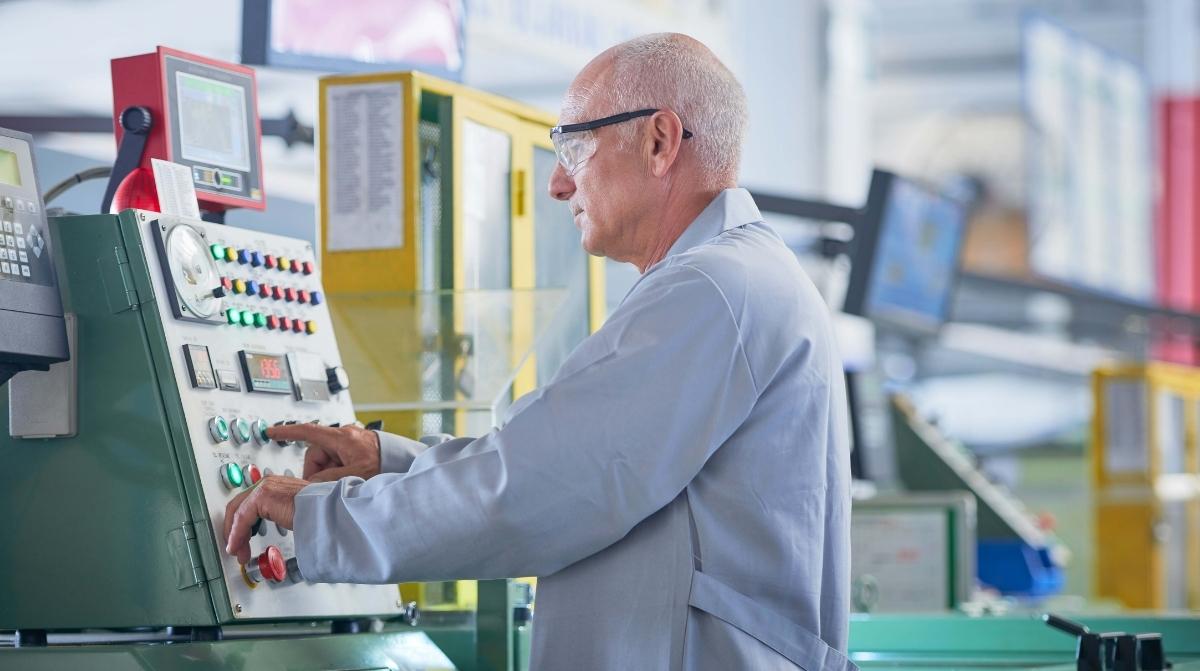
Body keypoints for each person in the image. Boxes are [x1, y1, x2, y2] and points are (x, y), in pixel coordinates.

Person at [224, 32, 854, 671]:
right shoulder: (736, 278)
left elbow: (537, 489)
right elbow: (545, 459)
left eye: (575, 146)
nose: (557, 183)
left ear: (660, 141)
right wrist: (388, 463)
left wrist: (321, 519)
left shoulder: (712, 288)